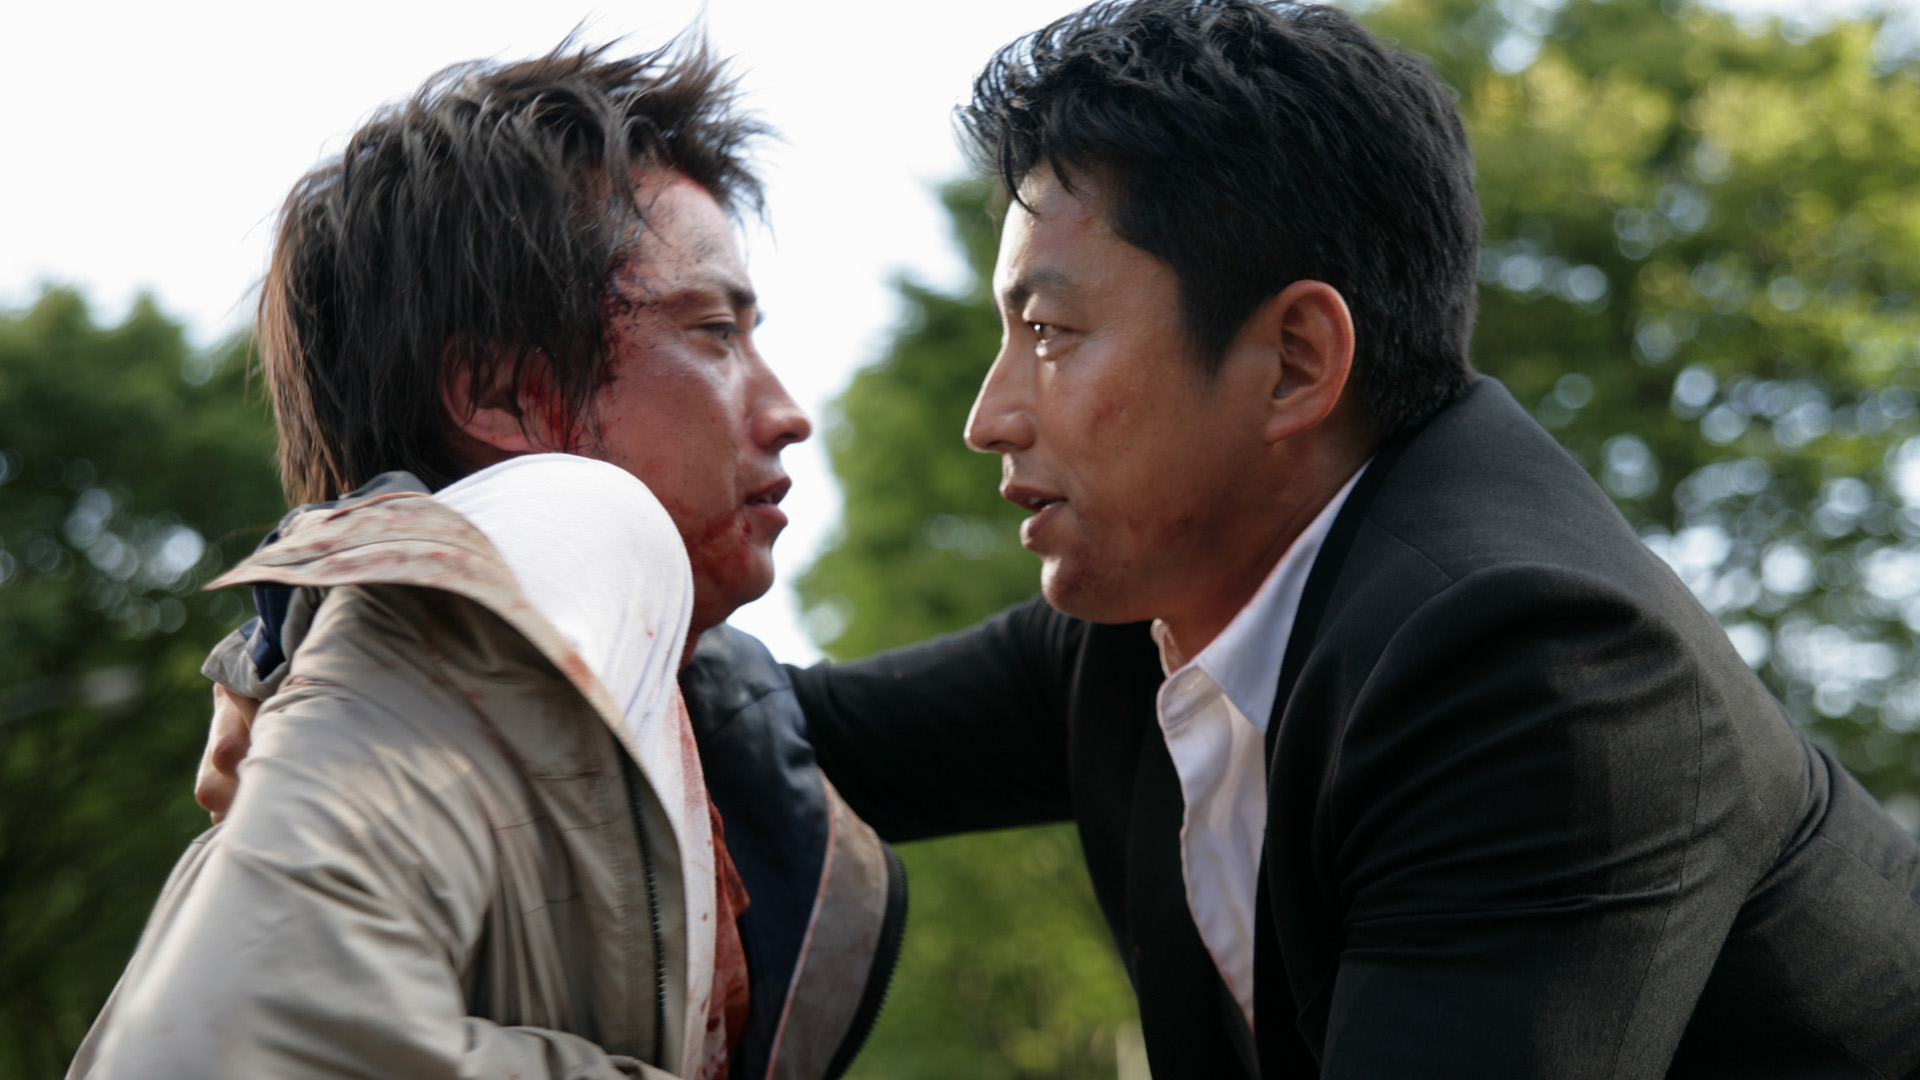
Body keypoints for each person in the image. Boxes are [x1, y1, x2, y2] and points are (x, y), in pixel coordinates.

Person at [199, 2, 1920, 1077]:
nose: (987, 415)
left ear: (1296, 363)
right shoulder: (1151, 629)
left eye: (1050, 332)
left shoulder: (1532, 670)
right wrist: (316, 628)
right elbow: (765, 733)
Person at [77, 40, 903, 1080]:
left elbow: (1047, 679)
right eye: (713, 331)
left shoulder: (694, 711)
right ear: (505, 393)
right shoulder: (574, 512)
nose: (786, 413)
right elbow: (234, 1048)